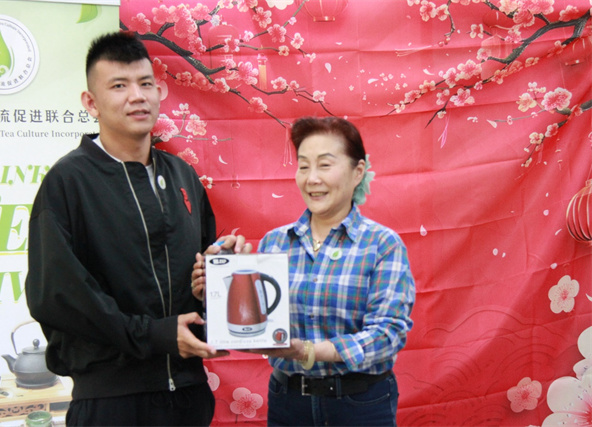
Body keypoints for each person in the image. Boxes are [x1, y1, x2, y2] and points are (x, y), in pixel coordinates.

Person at [25, 31, 250, 426]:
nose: (137, 96)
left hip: (188, 394)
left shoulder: (182, 176)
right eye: (119, 86)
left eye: (145, 83)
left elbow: (198, 278)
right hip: (112, 400)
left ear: (159, 92)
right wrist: (154, 335)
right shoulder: (68, 182)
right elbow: (60, 295)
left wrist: (217, 273)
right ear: (91, 103)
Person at [192, 117, 415, 426]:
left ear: (358, 171)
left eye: (325, 165)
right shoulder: (275, 243)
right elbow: (257, 326)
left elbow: (388, 334)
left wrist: (310, 351)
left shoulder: (382, 244)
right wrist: (215, 286)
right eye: (303, 166)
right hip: (289, 401)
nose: (312, 179)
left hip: (360, 403)